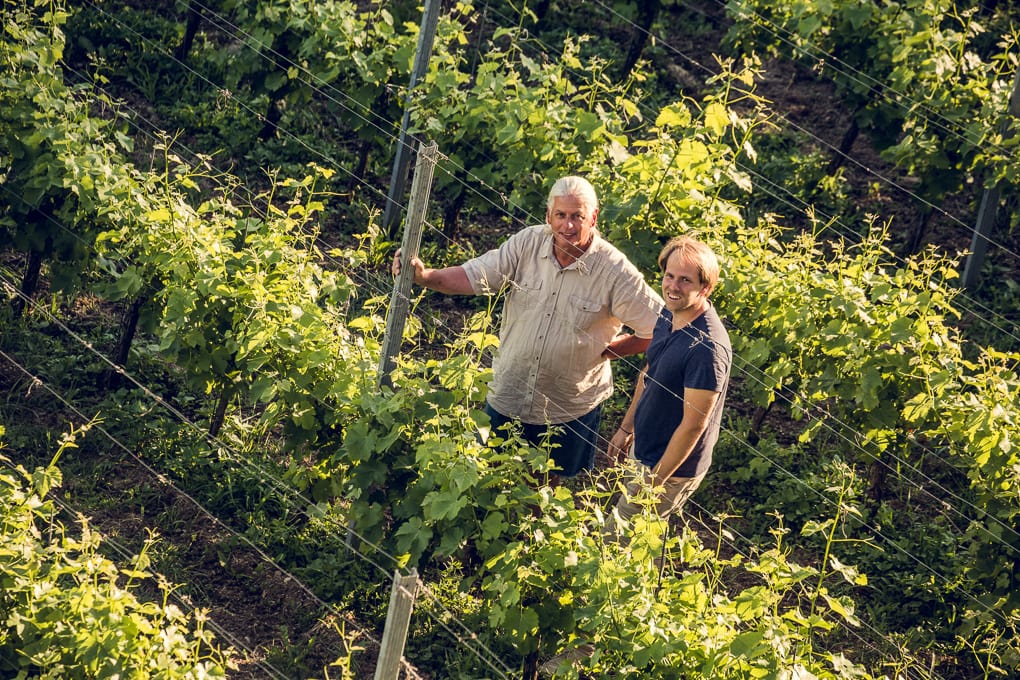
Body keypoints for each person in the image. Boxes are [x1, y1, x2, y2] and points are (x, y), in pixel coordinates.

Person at [392, 175, 663, 479]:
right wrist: (426, 277)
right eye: (560, 215)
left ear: (594, 218)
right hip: (510, 392)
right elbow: (474, 276)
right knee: (491, 479)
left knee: (546, 490)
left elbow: (659, 328)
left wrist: (611, 351)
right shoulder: (527, 244)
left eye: (577, 217)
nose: (568, 226)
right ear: (548, 216)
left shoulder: (613, 270)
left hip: (567, 406)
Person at [606, 235, 731, 531]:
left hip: (671, 469)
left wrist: (655, 483)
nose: (673, 287)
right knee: (643, 540)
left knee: (614, 542)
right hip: (646, 448)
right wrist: (628, 427)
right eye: (669, 276)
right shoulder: (669, 313)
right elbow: (649, 373)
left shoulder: (707, 349)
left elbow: (693, 425)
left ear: (706, 287)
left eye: (685, 280)